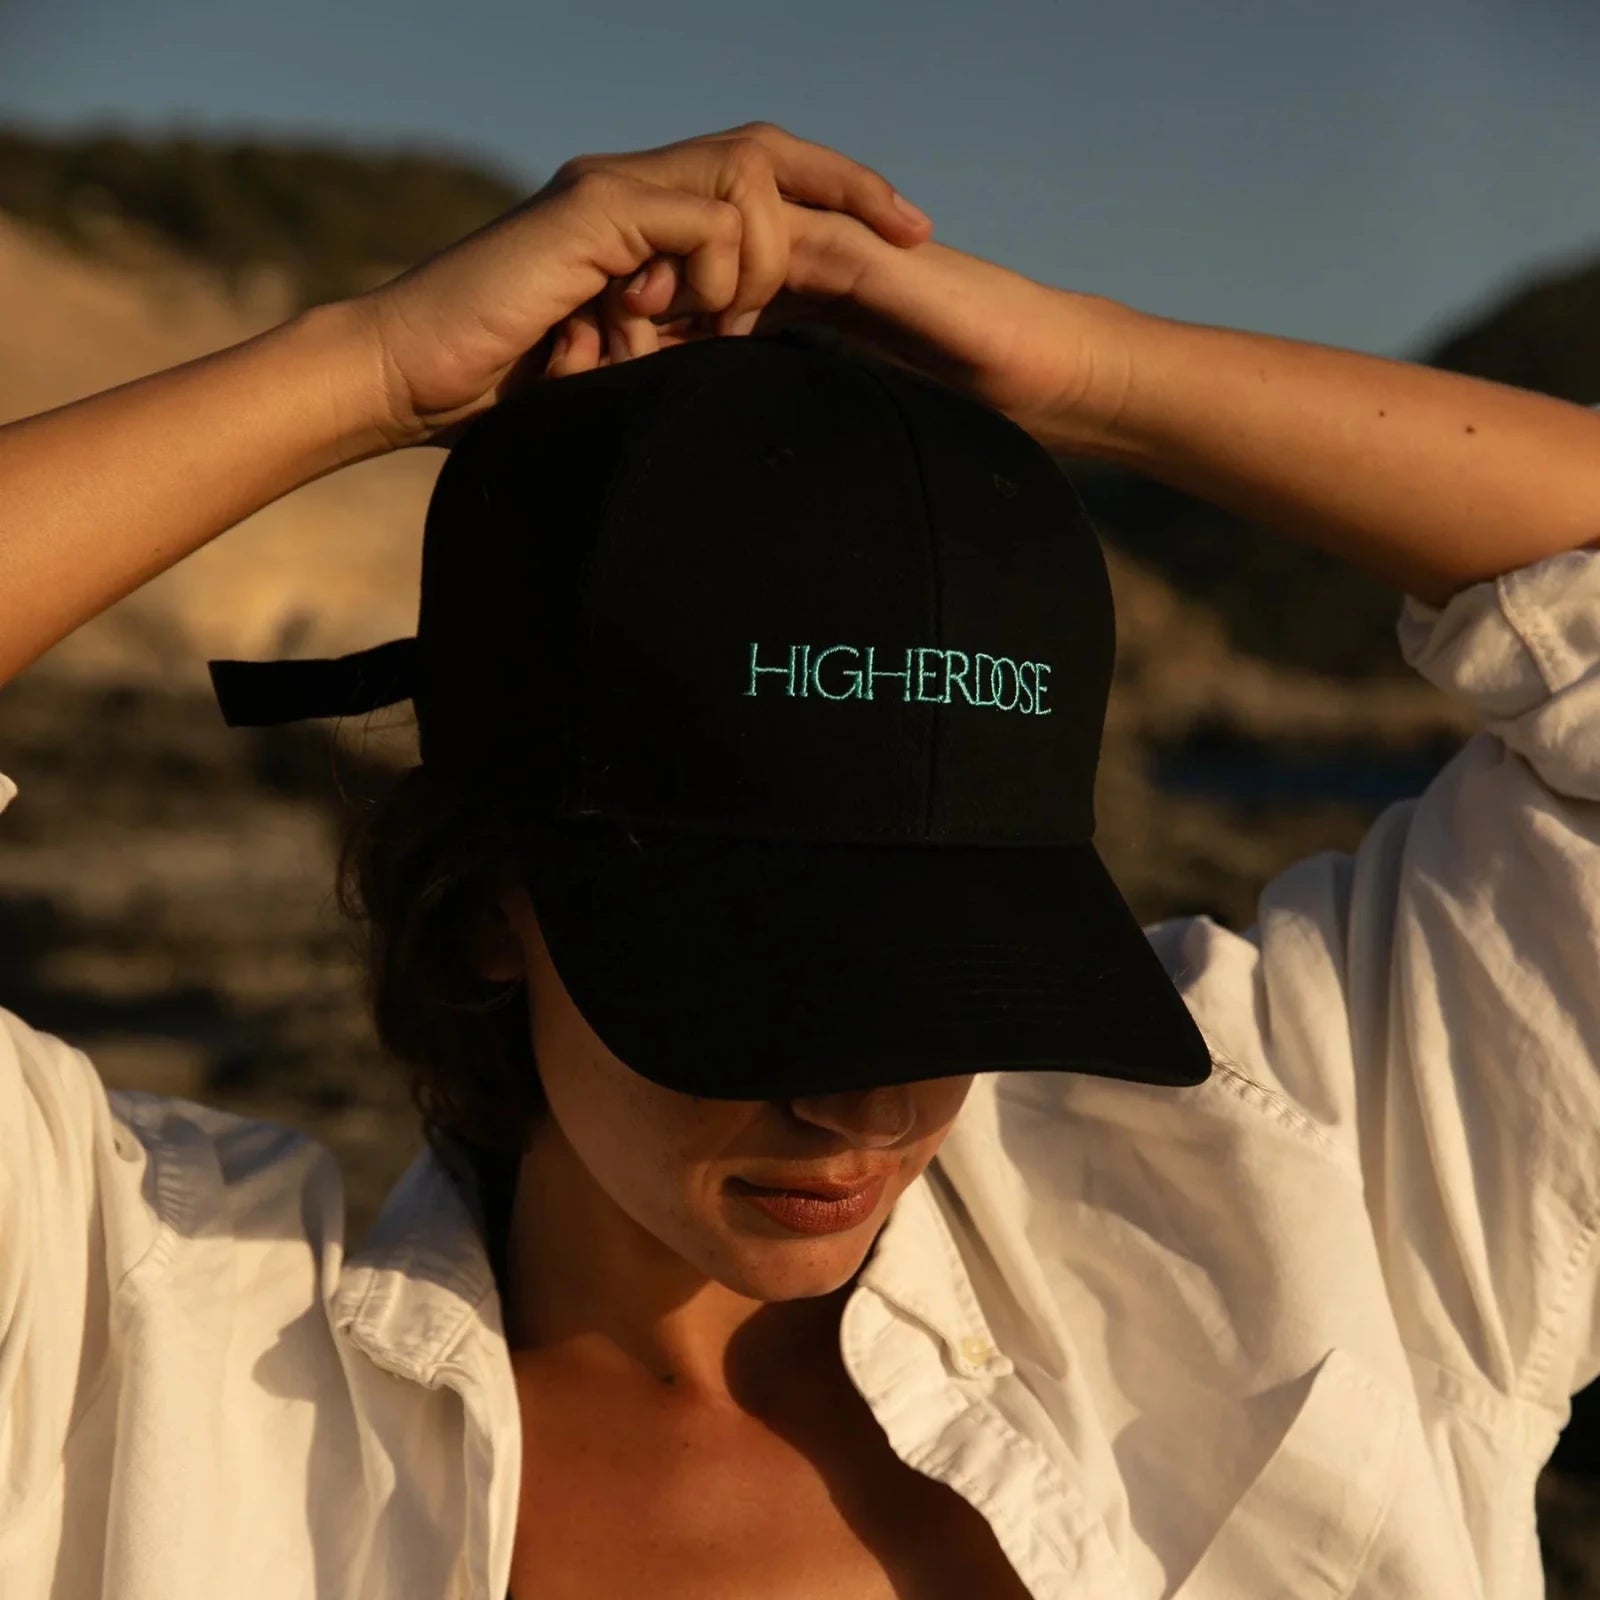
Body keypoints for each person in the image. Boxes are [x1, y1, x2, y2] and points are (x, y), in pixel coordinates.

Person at [1, 119, 1598, 1600]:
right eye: (767, 986)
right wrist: (367, 367)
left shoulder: (1301, 1196)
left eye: (956, 975)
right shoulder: (140, 1351)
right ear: (493, 902)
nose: (865, 1108)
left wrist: (1087, 374)